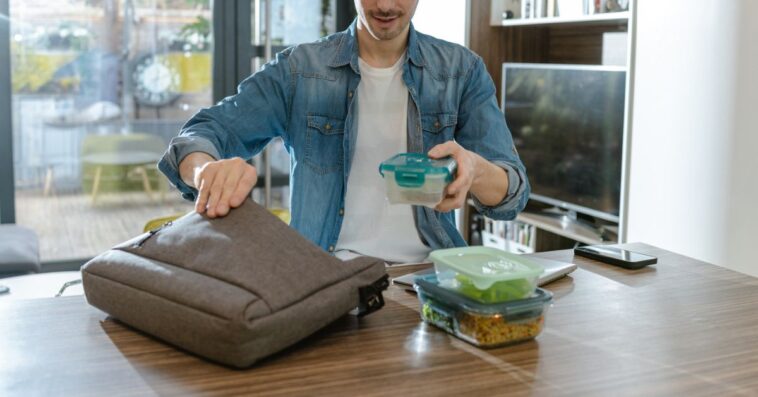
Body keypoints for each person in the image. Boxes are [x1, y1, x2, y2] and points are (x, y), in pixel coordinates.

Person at [158, 0, 530, 263]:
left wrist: (476, 171)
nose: (385, 5)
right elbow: (203, 132)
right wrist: (205, 170)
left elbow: (512, 194)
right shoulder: (300, 69)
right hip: (325, 276)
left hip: (428, 276)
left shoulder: (461, 71)